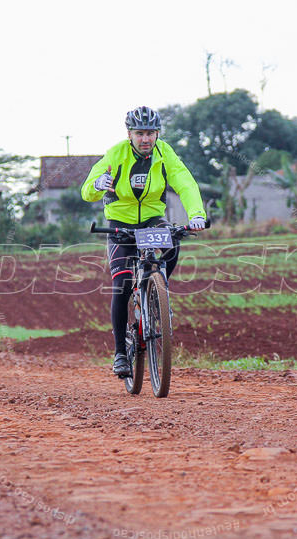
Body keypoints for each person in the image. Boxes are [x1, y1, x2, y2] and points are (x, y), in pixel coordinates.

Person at [82, 106, 206, 376]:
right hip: (120, 223)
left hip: (151, 218)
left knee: (173, 243)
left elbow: (184, 182)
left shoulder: (164, 153)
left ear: (158, 133)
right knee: (121, 283)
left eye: (150, 133)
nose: (146, 139)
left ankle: (158, 290)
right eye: (140, 133)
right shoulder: (116, 154)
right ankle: (119, 354)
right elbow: (87, 190)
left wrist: (196, 214)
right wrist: (98, 185)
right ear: (129, 134)